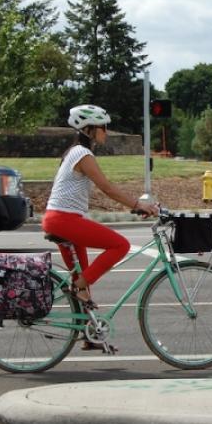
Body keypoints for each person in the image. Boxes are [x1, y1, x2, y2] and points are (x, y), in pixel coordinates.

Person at [42, 105, 160, 341]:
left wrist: (133, 206)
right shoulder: (82, 155)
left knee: (84, 278)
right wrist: (137, 204)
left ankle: (88, 334)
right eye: (103, 127)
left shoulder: (73, 152)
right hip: (64, 220)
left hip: (59, 219)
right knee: (120, 246)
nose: (106, 131)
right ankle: (77, 287)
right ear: (89, 129)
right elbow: (106, 187)